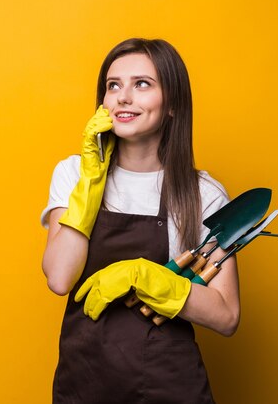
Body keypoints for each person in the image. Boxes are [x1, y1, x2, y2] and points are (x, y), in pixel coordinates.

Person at [40, 38, 240, 404]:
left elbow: (226, 316)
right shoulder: (73, 174)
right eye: (113, 85)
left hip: (170, 385)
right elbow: (59, 277)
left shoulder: (202, 194)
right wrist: (90, 183)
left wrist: (144, 277)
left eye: (142, 84)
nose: (122, 97)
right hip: (85, 383)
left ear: (173, 106)